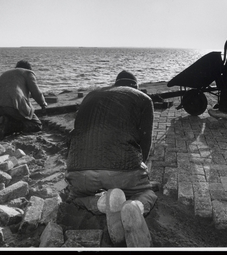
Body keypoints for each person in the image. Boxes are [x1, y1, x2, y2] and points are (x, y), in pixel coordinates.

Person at [65, 70, 158, 247]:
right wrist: (140, 171)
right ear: (135, 87)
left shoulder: (91, 95)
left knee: (75, 197)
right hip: (121, 170)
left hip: (79, 170)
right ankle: (135, 207)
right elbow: (145, 142)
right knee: (148, 193)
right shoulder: (143, 99)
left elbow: (75, 134)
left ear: (116, 85)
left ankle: (101, 204)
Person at [0, 60, 48, 139]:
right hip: (14, 106)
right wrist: (43, 104)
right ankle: (7, 127)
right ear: (29, 69)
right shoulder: (28, 73)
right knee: (36, 125)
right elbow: (36, 92)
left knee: (14, 116)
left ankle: (1, 121)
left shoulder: (5, 73)